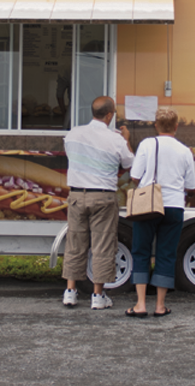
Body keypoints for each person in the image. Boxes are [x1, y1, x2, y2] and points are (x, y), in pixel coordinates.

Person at [62, 96, 134, 310]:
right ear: (110, 115)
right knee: (103, 246)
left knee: (75, 243)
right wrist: (127, 139)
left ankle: (70, 292)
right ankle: (97, 295)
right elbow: (130, 164)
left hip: (76, 195)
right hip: (103, 196)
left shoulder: (73, 134)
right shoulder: (116, 139)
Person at [125, 108, 195, 318]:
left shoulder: (147, 144)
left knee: (141, 251)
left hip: (147, 204)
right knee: (166, 254)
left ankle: (140, 304)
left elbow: (135, 176)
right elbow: (190, 185)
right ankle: (160, 305)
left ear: (156, 125)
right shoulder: (185, 150)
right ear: (176, 126)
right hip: (174, 206)